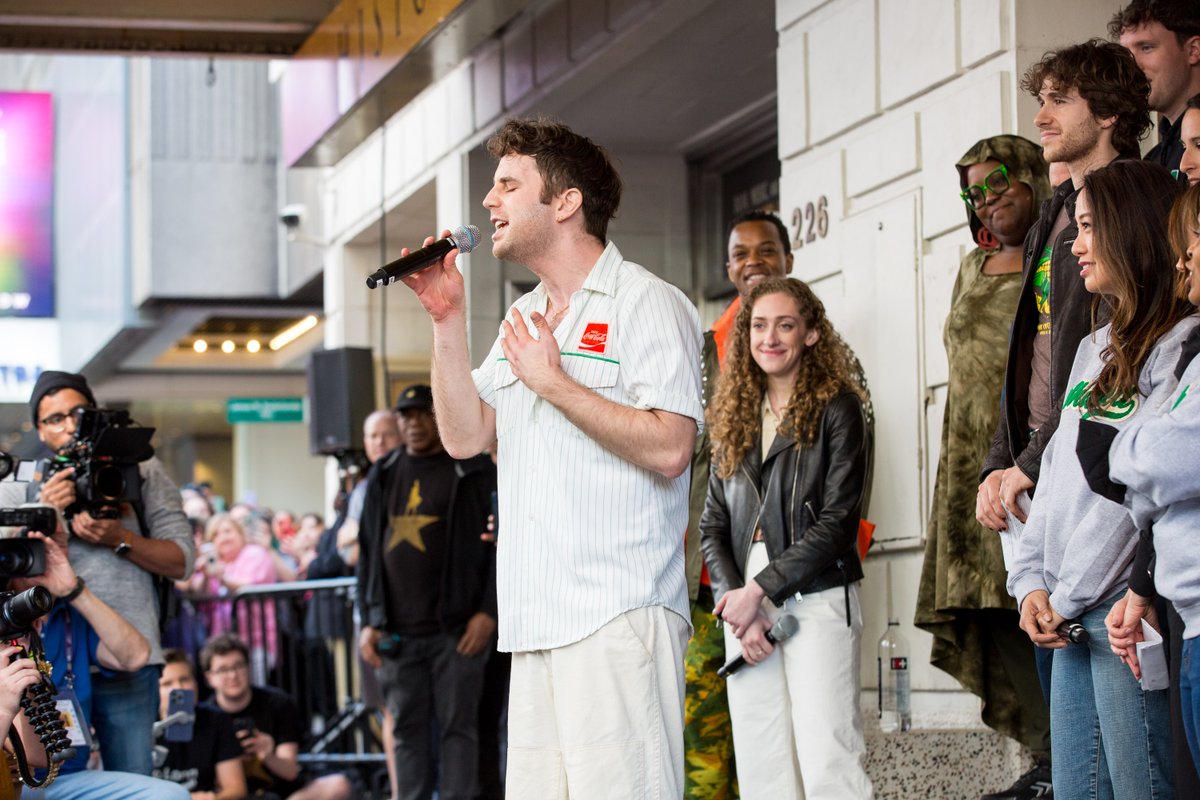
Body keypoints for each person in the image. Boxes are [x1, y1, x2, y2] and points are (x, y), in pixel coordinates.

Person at [400, 116, 703, 798]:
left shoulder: (647, 302)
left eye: (509, 185)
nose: (489, 202)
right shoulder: (526, 316)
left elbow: (671, 446)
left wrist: (553, 382)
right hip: (535, 621)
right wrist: (447, 322)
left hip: (617, 615)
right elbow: (464, 437)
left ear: (564, 203)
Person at [973, 40, 1151, 800]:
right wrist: (999, 461)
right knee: (1080, 777)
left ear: (1109, 114)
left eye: (1060, 99)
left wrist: (1032, 463)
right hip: (1043, 517)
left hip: (1104, 553)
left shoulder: (1133, 211)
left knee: (1134, 779)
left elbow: (1116, 410)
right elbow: (1032, 358)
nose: (1039, 117)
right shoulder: (1055, 217)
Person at [1006, 159, 1191, 800]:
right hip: (1068, 617)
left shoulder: (1178, 343)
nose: (1076, 245)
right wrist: (1029, 582)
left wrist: (1068, 592)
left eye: (1088, 228)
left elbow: (1132, 497)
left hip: (1122, 616)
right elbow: (1056, 477)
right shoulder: (1093, 345)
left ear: (1130, 230)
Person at [700, 276, 872, 799]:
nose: (769, 337)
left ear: (811, 335)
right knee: (762, 764)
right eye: (758, 325)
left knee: (829, 759)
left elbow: (838, 523)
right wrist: (737, 602)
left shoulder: (839, 408)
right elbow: (712, 526)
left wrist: (757, 593)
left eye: (785, 325)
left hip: (815, 595)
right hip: (744, 601)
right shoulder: (733, 418)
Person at [914, 135, 1053, 781]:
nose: (986, 198)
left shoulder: (1058, 256)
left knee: (1032, 599)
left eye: (996, 181)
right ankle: (1042, 751)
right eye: (971, 189)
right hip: (966, 460)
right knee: (982, 607)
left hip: (1030, 459)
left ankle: (1062, 754)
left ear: (1031, 176)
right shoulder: (973, 266)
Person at [2, 370, 195, 776]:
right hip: (48, 654)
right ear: (40, 429)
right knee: (49, 775)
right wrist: (42, 507)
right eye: (54, 418)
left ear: (95, 415)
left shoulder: (141, 472)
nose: (69, 425)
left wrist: (120, 538)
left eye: (78, 413)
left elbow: (181, 560)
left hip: (127, 653)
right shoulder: (23, 481)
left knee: (132, 776)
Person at [683, 209, 793, 800]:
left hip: (792, 579)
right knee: (703, 737)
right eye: (741, 254)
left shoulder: (818, 346)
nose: (753, 262)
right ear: (728, 268)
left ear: (788, 259)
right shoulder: (700, 352)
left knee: (781, 739)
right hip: (707, 580)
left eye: (766, 251)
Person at [1096, 183, 1200, 776]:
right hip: (1183, 607)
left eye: (1193, 242)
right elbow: (1134, 458)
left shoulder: (1182, 342)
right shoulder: (1097, 348)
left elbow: (1156, 456)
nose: (1182, 258)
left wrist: (1136, 447)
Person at [355, 384, 497, 800]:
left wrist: (489, 611)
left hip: (458, 631)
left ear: (439, 417)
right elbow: (367, 554)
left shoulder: (473, 471)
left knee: (460, 730)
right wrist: (369, 619)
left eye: (422, 414)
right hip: (397, 634)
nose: (414, 423)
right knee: (406, 731)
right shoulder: (382, 474)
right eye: (406, 416)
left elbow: (502, 546)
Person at [12, 526, 190, 800]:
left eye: (54, 544)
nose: (41, 556)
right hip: (20, 778)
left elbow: (137, 656)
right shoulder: (5, 621)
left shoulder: (71, 616)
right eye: (30, 548)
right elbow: (33, 757)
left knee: (170, 795)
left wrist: (73, 589)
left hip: (71, 777)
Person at [199, 634, 350, 800]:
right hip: (232, 794)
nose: (233, 675)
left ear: (249, 667)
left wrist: (267, 754)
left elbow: (290, 771)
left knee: (338, 784)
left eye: (238, 666)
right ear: (209, 677)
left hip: (282, 793)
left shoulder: (278, 703)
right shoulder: (206, 716)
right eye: (223, 670)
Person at [1110, 0, 1200, 171]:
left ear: (1193, 50)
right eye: (1126, 53)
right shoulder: (1153, 160)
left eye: (1146, 48)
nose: (1132, 65)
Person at [192, 513, 278, 683]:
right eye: (216, 534)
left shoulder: (255, 553)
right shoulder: (213, 561)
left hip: (255, 640)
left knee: (253, 687)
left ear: (240, 534)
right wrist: (206, 575)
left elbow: (252, 585)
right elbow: (199, 594)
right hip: (221, 643)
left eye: (227, 531)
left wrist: (222, 578)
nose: (223, 537)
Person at [154, 648, 246, 800]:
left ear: (196, 683)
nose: (178, 688)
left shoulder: (217, 720)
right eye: (167, 684)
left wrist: (211, 798)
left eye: (184, 679)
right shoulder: (142, 725)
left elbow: (236, 788)